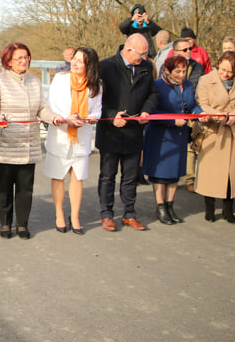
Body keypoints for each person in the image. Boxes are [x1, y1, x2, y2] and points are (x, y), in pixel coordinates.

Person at [0, 42, 57, 239]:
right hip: (6, 143)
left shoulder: (34, 81)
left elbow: (42, 108)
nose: (24, 61)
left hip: (28, 143)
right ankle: (5, 223)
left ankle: (22, 224)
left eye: (26, 57)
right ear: (8, 61)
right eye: (19, 58)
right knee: (4, 187)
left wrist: (54, 118)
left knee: (25, 188)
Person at [96, 33, 159, 231]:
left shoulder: (146, 67)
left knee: (131, 177)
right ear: (129, 49)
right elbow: (96, 101)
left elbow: (153, 93)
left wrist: (147, 110)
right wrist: (112, 115)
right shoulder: (105, 66)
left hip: (134, 132)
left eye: (146, 54)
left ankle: (129, 213)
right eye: (141, 54)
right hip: (110, 133)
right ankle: (107, 214)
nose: (144, 58)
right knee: (108, 176)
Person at [44, 47, 102, 235]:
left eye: (80, 60)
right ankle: (59, 213)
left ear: (89, 65)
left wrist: (92, 117)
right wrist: (66, 117)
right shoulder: (60, 79)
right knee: (58, 174)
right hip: (61, 132)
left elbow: (98, 110)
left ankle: (75, 216)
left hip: (81, 134)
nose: (75, 63)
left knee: (77, 175)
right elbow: (51, 104)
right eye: (74, 59)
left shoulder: (96, 85)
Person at [143, 55, 203, 225]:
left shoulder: (188, 85)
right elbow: (151, 113)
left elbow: (192, 106)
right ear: (168, 70)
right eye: (177, 71)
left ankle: (170, 205)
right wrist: (171, 120)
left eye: (184, 71)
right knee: (160, 174)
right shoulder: (157, 85)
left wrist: (200, 113)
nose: (181, 75)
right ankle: (160, 206)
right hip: (160, 136)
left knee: (175, 174)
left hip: (179, 135)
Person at [194, 51, 235, 223]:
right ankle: (209, 209)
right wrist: (218, 115)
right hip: (213, 131)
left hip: (233, 132)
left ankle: (228, 211)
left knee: (230, 175)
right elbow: (202, 103)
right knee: (211, 174)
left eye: (229, 72)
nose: (225, 74)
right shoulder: (205, 80)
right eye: (222, 69)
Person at [167, 37, 206, 192]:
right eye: (184, 49)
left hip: (192, 110)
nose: (189, 52)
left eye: (190, 49)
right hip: (173, 114)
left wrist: (199, 110)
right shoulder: (167, 67)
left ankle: (190, 179)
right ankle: (171, 176)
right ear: (175, 52)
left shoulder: (198, 67)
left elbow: (199, 88)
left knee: (192, 145)